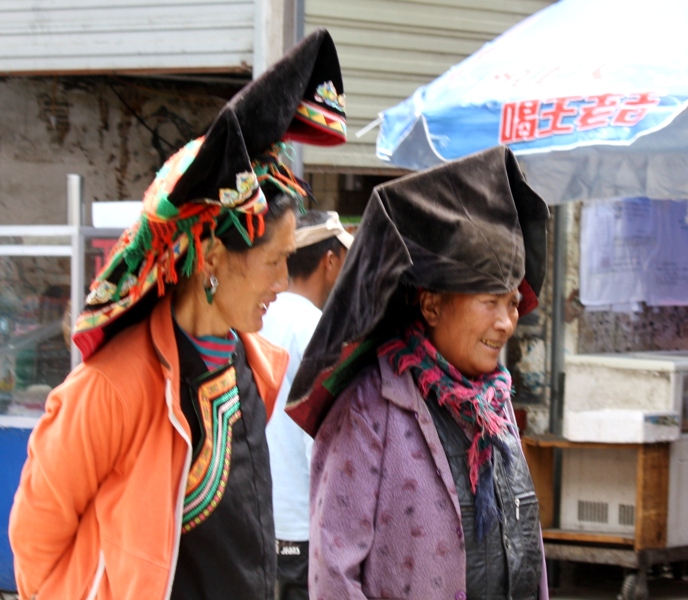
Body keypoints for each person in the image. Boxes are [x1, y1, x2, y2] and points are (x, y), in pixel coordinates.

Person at [8, 28, 346, 600]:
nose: (285, 283)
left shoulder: (254, 368)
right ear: (212, 254)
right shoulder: (114, 388)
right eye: (273, 262)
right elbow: (35, 538)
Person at [285, 146, 551, 600]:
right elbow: (333, 569)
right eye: (489, 301)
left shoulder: (495, 405)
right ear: (431, 304)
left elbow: (525, 545)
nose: (506, 322)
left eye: (511, 303)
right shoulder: (372, 404)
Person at [260, 210, 353, 600]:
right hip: (301, 523)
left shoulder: (257, 314)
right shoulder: (316, 326)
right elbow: (320, 436)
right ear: (329, 262)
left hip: (262, 516)